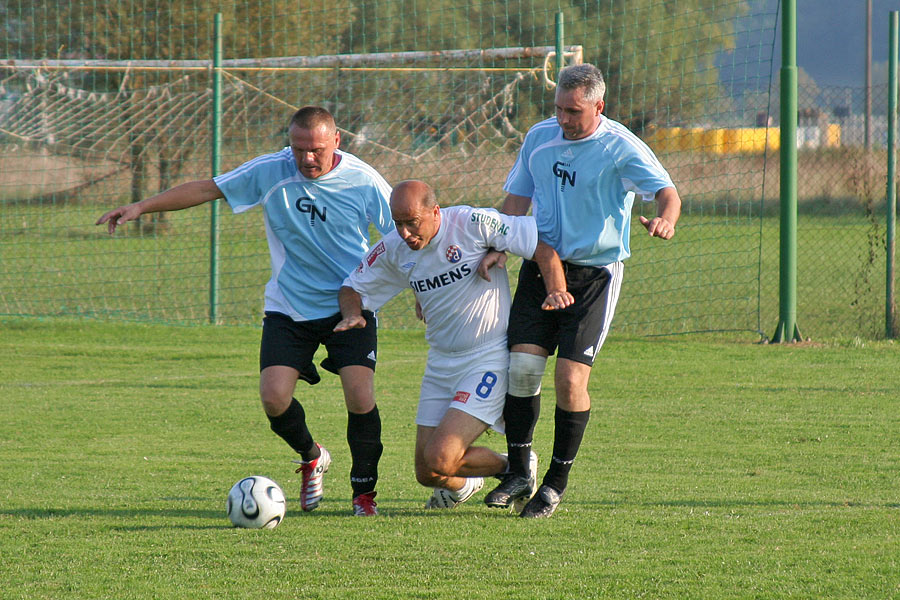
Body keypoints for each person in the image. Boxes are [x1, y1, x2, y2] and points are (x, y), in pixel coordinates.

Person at [96, 106, 394, 517]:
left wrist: (421, 291)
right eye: (298, 148)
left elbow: (406, 232)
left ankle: (364, 497)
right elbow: (207, 189)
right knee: (274, 398)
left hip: (351, 306)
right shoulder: (271, 171)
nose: (307, 158)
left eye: (317, 150)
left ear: (337, 141)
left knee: (360, 398)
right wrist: (141, 207)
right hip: (289, 305)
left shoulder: (364, 179)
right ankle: (312, 456)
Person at [482, 63, 682, 518]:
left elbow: (666, 191)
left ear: (599, 106)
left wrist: (667, 218)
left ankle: (554, 484)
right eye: (559, 110)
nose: (565, 120)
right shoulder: (539, 137)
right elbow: (517, 199)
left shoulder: (620, 146)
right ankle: (518, 471)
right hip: (540, 265)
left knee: (570, 381)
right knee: (522, 368)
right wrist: (497, 246)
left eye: (574, 112)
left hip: (595, 277)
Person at [334, 180, 572, 509]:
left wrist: (555, 288)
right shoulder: (394, 248)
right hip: (440, 364)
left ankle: (518, 468)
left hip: (486, 358)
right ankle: (491, 475)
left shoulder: (472, 223)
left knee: (441, 458)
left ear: (435, 212)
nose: (404, 232)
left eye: (412, 222)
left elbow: (540, 243)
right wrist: (352, 313)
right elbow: (352, 286)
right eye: (398, 223)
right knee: (426, 472)